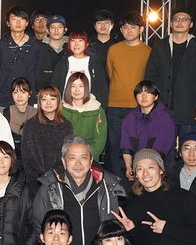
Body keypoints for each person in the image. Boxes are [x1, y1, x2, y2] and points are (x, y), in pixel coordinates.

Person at [27, 137, 123, 245]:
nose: (78, 163)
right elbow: (39, 224)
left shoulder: (108, 186)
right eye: (72, 158)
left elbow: (113, 226)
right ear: (64, 161)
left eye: (83, 158)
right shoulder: (50, 188)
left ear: (91, 161)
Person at [145, 9, 196, 137]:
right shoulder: (160, 45)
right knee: (162, 146)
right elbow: (150, 75)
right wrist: (150, 102)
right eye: (176, 19)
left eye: (184, 19)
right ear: (171, 23)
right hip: (162, 107)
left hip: (189, 108)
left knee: (187, 145)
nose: (180, 22)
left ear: (191, 24)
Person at [105, 12, 151, 175]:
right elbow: (111, 74)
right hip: (115, 105)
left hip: (138, 107)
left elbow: (149, 80)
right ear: (121, 30)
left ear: (141, 29)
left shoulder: (148, 51)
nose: (129, 31)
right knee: (115, 145)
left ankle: (139, 179)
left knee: (139, 145)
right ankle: (117, 181)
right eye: (125, 27)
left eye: (133, 27)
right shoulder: (113, 50)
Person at [0, 7, 47, 109]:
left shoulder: (36, 46)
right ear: (8, 23)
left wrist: (35, 93)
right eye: (14, 19)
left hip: (28, 99)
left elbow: (38, 73)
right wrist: (0, 89)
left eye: (22, 19)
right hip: (4, 98)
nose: (18, 22)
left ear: (27, 23)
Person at [120, 80, 176, 180]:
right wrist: (129, 167)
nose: (143, 96)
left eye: (148, 93)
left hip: (159, 167)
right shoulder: (129, 118)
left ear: (156, 97)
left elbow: (160, 151)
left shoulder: (165, 119)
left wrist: (141, 170)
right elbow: (126, 146)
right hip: (136, 168)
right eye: (139, 93)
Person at [22, 86, 73, 188]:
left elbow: (68, 153)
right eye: (44, 99)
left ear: (58, 101)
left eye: (52, 99)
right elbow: (28, 156)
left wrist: (57, 174)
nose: (48, 103)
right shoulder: (30, 125)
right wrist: (45, 176)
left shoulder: (67, 125)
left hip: (61, 177)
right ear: (39, 103)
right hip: (37, 179)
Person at [52, 30, 109, 112]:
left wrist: (101, 110)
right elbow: (54, 87)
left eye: (80, 40)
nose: (76, 44)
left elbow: (102, 89)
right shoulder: (62, 62)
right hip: (66, 108)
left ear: (87, 44)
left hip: (90, 109)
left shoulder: (94, 63)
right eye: (73, 41)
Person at [61, 72, 107, 162]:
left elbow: (99, 140)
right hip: (65, 159)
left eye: (81, 86)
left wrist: (87, 158)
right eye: (73, 86)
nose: (76, 90)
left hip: (89, 159)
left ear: (86, 88)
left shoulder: (97, 110)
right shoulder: (62, 110)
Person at [4, 77, 37, 153]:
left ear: (29, 94)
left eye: (23, 92)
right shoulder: (6, 112)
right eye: (15, 92)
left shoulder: (36, 113)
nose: (19, 96)